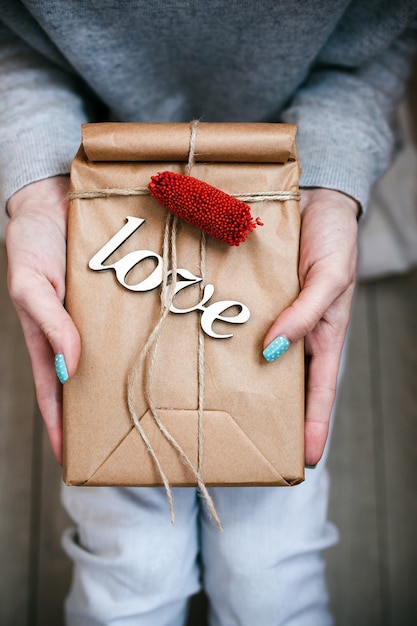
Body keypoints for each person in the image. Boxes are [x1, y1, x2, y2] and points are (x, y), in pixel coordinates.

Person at [1, 2, 416, 625]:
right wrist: (36, 189)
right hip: (87, 185)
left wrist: (329, 190)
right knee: (131, 566)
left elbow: (378, 47)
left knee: (267, 573)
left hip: (288, 206)